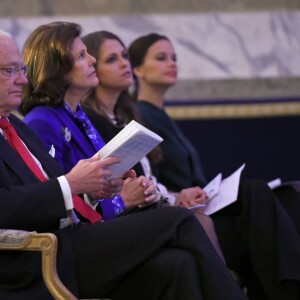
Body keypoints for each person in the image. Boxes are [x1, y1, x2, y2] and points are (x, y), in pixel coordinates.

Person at [0, 27, 248, 300]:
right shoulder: (39, 120)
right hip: (36, 257)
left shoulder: (14, 126)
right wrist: (73, 184)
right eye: (9, 71)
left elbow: (52, 192)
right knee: (179, 219)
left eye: (21, 69)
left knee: (177, 264)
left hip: (69, 240)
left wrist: (93, 191)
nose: (22, 79)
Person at [128, 32, 300, 299]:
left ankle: (287, 283)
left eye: (174, 58)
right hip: (183, 213)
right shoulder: (141, 116)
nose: (172, 63)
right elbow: (151, 181)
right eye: (161, 58)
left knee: (286, 195)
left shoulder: (161, 115)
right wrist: (180, 197)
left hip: (200, 202)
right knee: (254, 191)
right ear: (138, 69)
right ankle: (289, 286)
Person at [80, 30, 225, 261]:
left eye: (125, 56)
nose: (124, 64)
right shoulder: (91, 122)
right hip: (126, 217)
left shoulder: (128, 116)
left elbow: (151, 180)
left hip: (153, 206)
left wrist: (178, 195)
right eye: (111, 59)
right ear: (93, 68)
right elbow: (122, 185)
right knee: (198, 224)